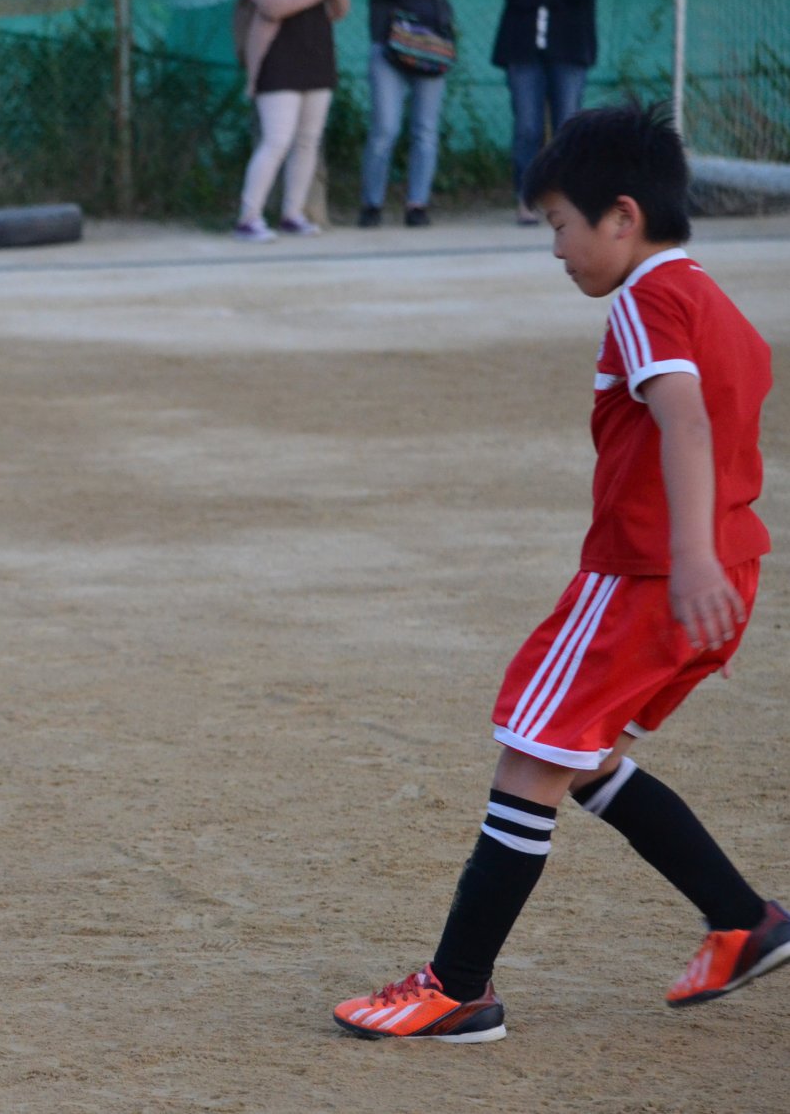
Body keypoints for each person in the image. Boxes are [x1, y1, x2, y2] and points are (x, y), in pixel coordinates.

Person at [333, 103, 788, 1042]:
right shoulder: (713, 299)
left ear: (621, 216)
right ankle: (744, 919)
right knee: (580, 755)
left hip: (649, 575)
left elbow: (686, 421)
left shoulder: (648, 297)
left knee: (531, 751)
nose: (555, 249)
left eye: (558, 225)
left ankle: (458, 986)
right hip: (715, 569)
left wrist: (688, 552)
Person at [233, 0, 353, 242]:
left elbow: (340, 11)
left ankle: (293, 215)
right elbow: (271, 6)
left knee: (308, 141)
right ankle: (248, 218)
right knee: (276, 140)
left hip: (317, 56)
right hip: (278, 57)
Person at [491, 0, 599, 225]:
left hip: (570, 47)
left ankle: (567, 198)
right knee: (528, 127)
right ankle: (527, 198)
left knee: (568, 126)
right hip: (523, 49)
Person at [359, 0, 453, 228]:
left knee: (425, 130)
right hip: (387, 42)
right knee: (385, 128)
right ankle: (372, 204)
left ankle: (417, 204)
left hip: (431, 43)